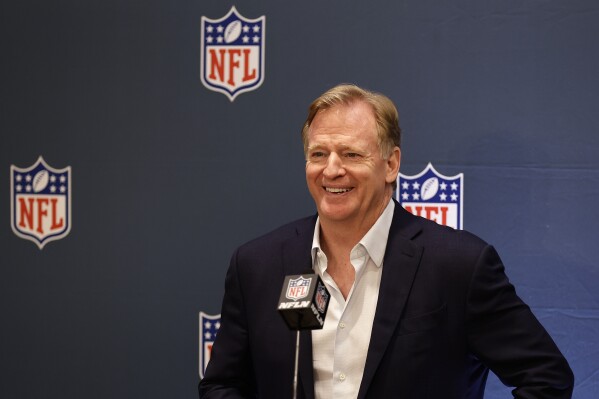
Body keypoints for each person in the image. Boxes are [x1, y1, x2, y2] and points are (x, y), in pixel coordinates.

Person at [198, 84, 574, 398]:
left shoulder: (458, 265)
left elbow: (546, 377)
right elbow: (222, 385)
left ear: (391, 164)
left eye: (351, 154)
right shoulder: (258, 264)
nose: (331, 169)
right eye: (318, 154)